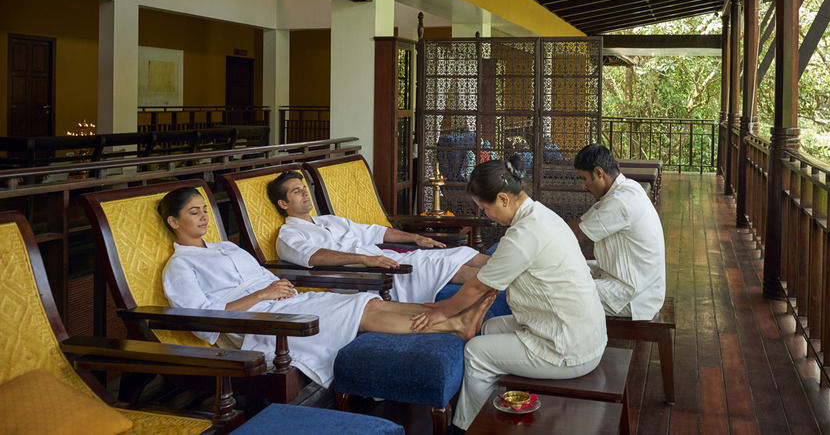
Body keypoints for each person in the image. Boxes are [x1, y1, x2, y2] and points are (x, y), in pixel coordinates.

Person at [159, 186, 493, 389]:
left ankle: (455, 320)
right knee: (362, 308)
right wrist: (262, 294)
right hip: (258, 324)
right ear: (175, 222)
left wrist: (275, 288)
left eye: (205, 210)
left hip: (285, 303)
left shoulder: (227, 248)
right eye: (193, 212)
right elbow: (200, 319)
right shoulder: (181, 265)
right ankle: (452, 323)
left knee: (367, 302)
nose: (203, 217)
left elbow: (266, 279)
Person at [410, 156, 607, 431]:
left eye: (485, 208)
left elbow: (480, 285)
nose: (485, 215)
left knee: (477, 352)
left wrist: (441, 311)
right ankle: (499, 410)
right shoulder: (541, 215)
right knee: (490, 329)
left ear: (503, 199)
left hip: (569, 346)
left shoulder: (524, 233)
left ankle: (467, 428)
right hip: (580, 330)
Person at [270, 171, 491, 304]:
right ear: (283, 204)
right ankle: (507, 287)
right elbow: (315, 257)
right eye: (296, 191)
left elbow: (375, 231)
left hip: (381, 259)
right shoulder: (288, 235)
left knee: (462, 253)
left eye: (304, 188)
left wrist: (414, 238)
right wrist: (365, 260)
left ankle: (519, 273)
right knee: (444, 265)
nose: (305, 193)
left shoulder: (328, 221)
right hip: (361, 274)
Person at [570, 143, 666, 320]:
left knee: (556, 290)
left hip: (634, 296)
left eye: (584, 179)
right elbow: (579, 224)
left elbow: (573, 235)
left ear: (599, 173)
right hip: (633, 280)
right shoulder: (626, 189)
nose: (583, 186)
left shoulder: (620, 201)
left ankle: (567, 346)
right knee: (569, 269)